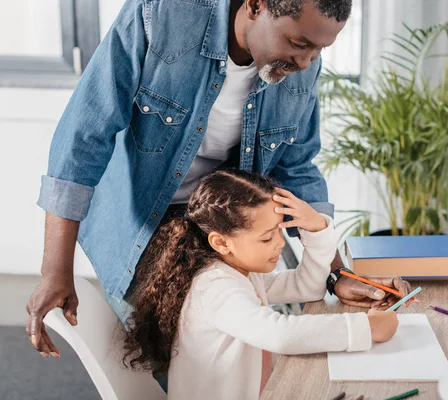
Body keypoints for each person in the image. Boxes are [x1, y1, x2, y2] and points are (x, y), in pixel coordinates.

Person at [26, 0, 409, 368]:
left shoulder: (302, 63)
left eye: (320, 49)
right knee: (175, 360)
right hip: (143, 224)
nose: (306, 62)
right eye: (298, 43)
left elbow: (297, 167)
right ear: (256, 5)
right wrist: (55, 270)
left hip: (225, 219)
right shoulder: (161, 15)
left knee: (230, 351)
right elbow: (83, 137)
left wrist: (337, 273)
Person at [122, 169, 402, 399]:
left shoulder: (240, 271)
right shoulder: (216, 287)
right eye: (266, 238)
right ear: (221, 242)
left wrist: (316, 227)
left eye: (280, 231)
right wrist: (364, 328)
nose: (280, 243)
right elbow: (280, 334)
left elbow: (308, 286)